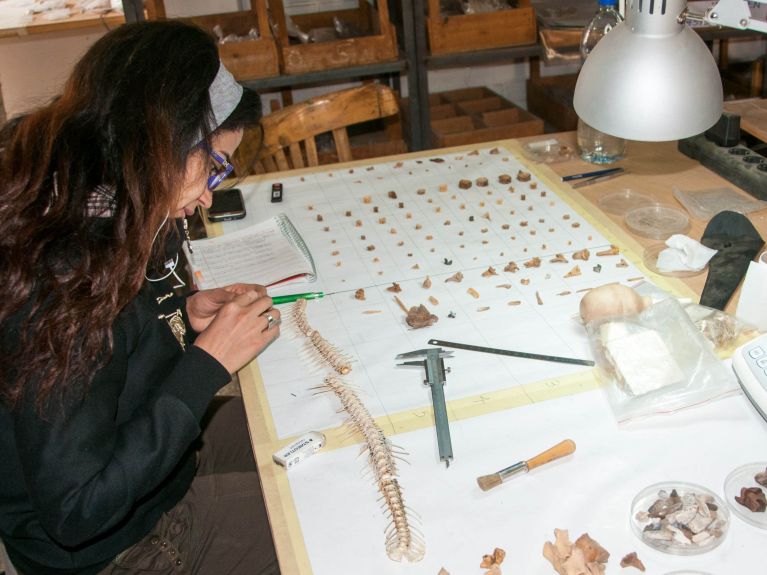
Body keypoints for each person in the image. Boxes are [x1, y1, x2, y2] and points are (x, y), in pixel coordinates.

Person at [0, 20, 281, 575]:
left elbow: (117, 349)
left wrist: (180, 315)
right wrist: (207, 364)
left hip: (148, 472)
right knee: (322, 531)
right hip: (111, 548)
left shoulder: (111, 191)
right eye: (214, 166)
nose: (207, 197)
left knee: (306, 443)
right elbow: (76, 510)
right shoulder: (68, 280)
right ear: (158, 143)